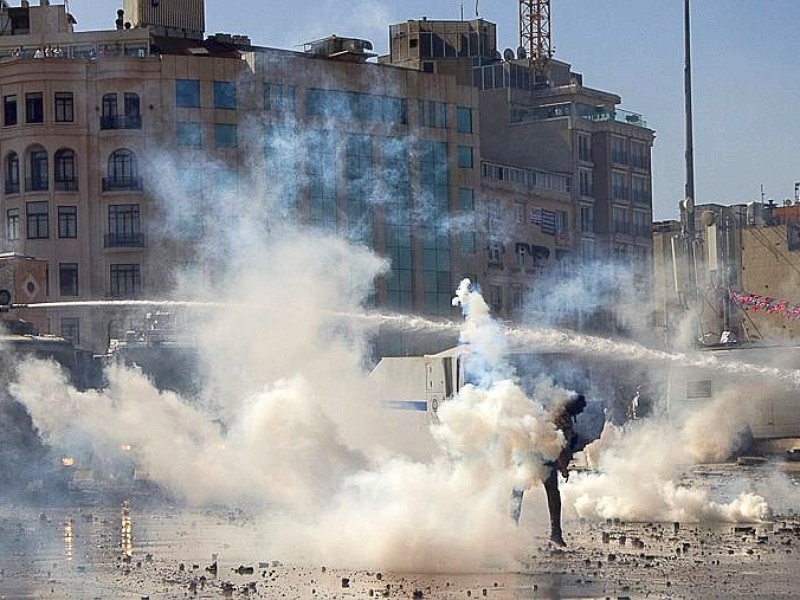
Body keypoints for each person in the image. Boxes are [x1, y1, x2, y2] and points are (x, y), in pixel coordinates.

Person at [511, 393, 587, 546]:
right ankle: (555, 533)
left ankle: (512, 528)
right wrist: (564, 468)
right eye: (580, 408)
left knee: (518, 491)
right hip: (544, 455)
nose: (581, 411)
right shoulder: (563, 417)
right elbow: (559, 445)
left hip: (530, 452)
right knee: (552, 493)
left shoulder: (552, 408)